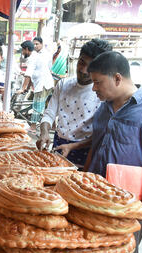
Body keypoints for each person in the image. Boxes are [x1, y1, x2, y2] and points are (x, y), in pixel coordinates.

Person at [84, 51, 142, 253]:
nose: (94, 88)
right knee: (92, 251)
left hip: (129, 202)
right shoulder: (104, 108)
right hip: (96, 195)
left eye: (97, 82)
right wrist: (83, 180)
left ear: (117, 78)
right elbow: (96, 144)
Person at [36, 38, 113, 167]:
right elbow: (49, 114)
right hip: (59, 147)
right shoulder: (63, 84)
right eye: (81, 62)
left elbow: (102, 134)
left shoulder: (103, 93)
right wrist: (44, 133)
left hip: (85, 154)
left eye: (90, 67)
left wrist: (73, 146)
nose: (83, 70)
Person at [17, 40, 54, 131]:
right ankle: (53, 126)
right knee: (48, 107)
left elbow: (28, 74)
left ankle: (33, 127)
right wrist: (27, 88)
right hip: (48, 84)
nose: (22, 52)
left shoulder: (32, 58)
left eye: (23, 50)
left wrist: (22, 89)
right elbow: (31, 75)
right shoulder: (37, 56)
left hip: (42, 85)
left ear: (26, 49)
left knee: (37, 106)